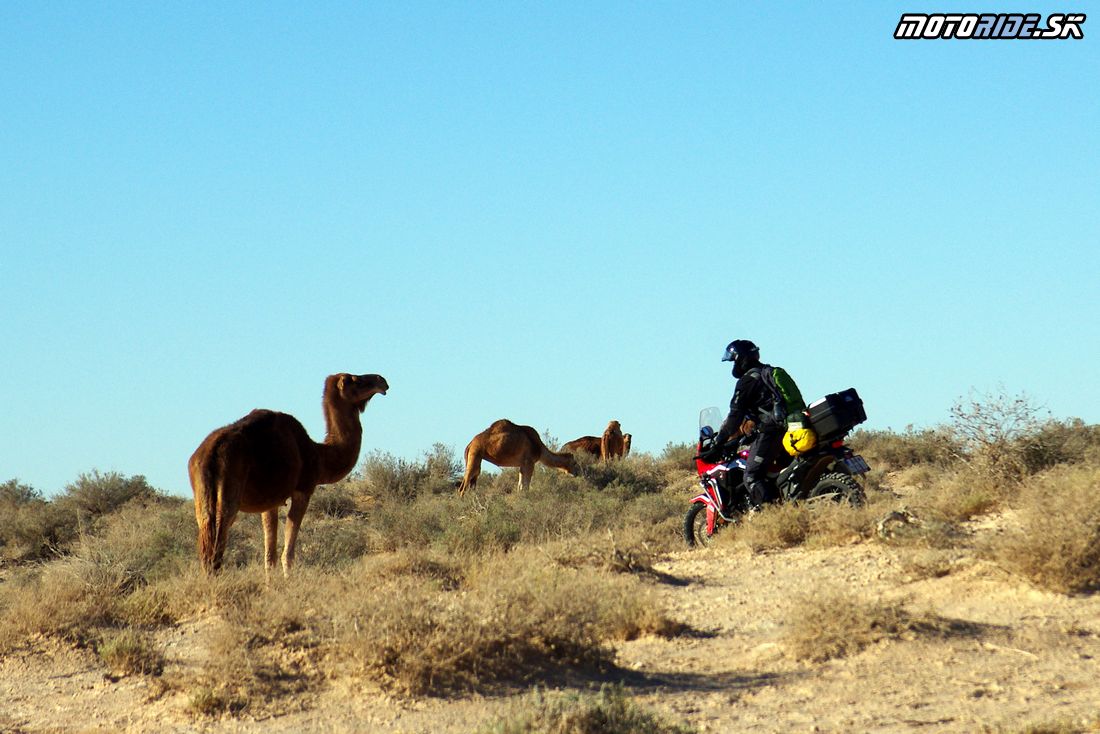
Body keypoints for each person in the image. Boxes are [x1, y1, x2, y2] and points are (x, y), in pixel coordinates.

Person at [713, 339, 784, 507]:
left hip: (771, 431)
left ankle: (773, 518)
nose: (733, 366)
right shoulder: (769, 372)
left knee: (751, 476)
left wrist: (719, 440)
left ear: (741, 359)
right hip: (789, 427)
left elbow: (735, 417)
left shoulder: (747, 381)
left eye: (733, 361)